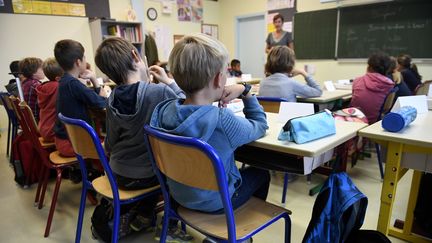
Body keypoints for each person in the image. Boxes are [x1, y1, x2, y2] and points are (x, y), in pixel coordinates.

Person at [150, 34, 270, 226]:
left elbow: (186, 102)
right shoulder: (223, 120)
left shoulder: (162, 111)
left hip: (178, 195)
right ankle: (238, 229)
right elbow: (261, 125)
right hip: (217, 203)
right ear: (218, 79)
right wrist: (246, 91)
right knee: (262, 174)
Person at [94, 37, 191, 241]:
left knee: (153, 165)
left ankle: (144, 213)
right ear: (135, 56)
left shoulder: (111, 98)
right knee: (175, 172)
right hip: (148, 175)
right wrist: (169, 81)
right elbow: (188, 107)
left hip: (117, 174)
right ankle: (168, 226)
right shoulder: (160, 92)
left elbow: (110, 143)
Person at [53, 39, 107, 157]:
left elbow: (95, 100)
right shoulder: (74, 84)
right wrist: (95, 81)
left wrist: (92, 80)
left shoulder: (64, 81)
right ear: (78, 62)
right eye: (84, 58)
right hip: (72, 144)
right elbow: (102, 103)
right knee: (113, 148)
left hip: (63, 139)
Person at [350, 52, 394, 123]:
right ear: (387, 69)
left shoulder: (357, 81)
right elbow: (386, 109)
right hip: (375, 124)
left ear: (369, 67)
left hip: (354, 121)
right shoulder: (389, 85)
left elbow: (354, 101)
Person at [36, 58, 64, 142]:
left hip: (43, 130)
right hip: (54, 132)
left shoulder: (44, 87)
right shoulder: (59, 87)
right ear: (58, 78)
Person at [19, 57, 45, 122]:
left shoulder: (25, 83)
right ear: (34, 72)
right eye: (42, 69)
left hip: (28, 120)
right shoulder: (36, 85)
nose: (44, 70)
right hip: (36, 121)